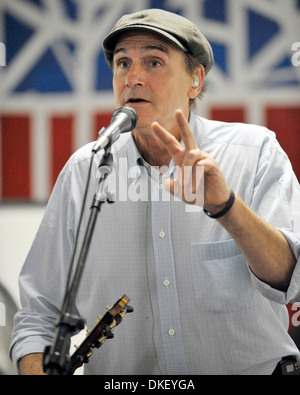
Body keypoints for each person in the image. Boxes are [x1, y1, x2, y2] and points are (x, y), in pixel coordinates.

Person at [10, 9, 300, 375]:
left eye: (153, 62)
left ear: (195, 80)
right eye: (122, 63)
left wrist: (226, 208)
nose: (133, 77)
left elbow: (290, 278)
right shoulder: (86, 170)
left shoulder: (254, 151)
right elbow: (40, 315)